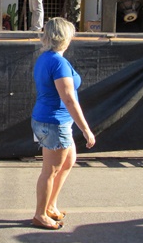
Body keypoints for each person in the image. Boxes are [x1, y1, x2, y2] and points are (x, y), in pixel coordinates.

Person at [31, 17, 95, 230]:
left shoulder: (47, 58)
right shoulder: (57, 62)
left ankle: (50, 206)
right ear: (64, 37)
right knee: (50, 170)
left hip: (52, 121)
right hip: (54, 123)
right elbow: (68, 99)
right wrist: (86, 129)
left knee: (67, 162)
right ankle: (40, 214)